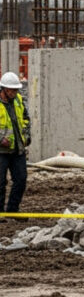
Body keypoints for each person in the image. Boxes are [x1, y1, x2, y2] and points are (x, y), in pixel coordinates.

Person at [0, 72, 30, 213]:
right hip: (1, 151)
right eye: (12, 90)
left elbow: (25, 118)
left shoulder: (18, 99)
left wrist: (26, 136)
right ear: (4, 89)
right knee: (0, 183)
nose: (15, 92)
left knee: (21, 179)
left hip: (17, 148)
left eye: (16, 89)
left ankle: (13, 209)